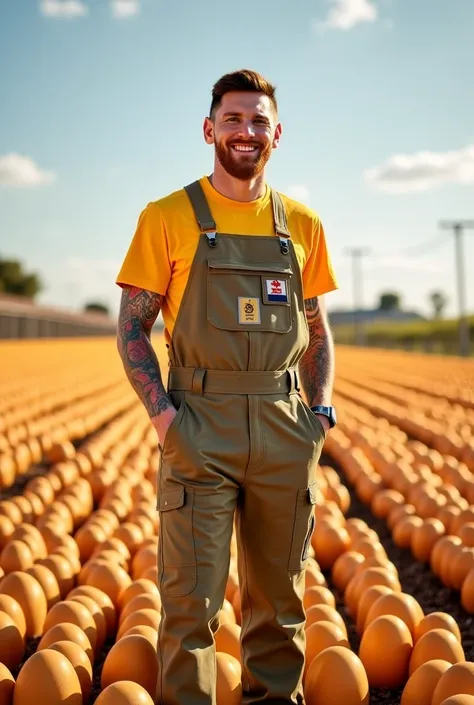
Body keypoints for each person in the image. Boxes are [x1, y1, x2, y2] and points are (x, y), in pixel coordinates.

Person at [116, 69, 338, 705]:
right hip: (198, 425)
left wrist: (317, 412)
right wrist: (165, 422)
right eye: (234, 119)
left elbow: (318, 331)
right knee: (191, 610)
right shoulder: (166, 217)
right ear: (210, 129)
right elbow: (132, 331)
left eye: (259, 121)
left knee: (281, 606)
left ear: (278, 135)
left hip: (283, 423)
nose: (247, 132)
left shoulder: (303, 224)